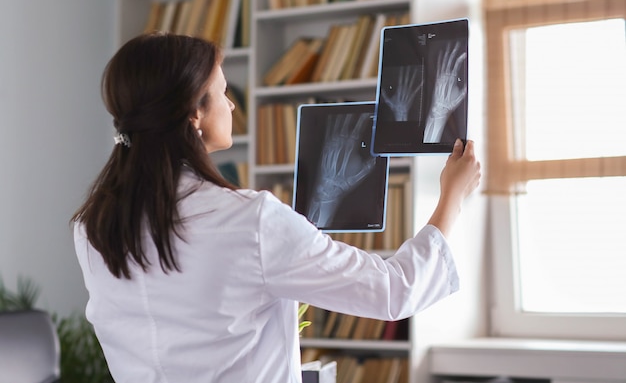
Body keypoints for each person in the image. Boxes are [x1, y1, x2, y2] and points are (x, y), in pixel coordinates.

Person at [72, 32, 481, 383]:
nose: (231, 106)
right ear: (195, 112)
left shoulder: (93, 227)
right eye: (222, 92)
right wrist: (452, 198)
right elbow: (395, 290)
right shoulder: (251, 221)